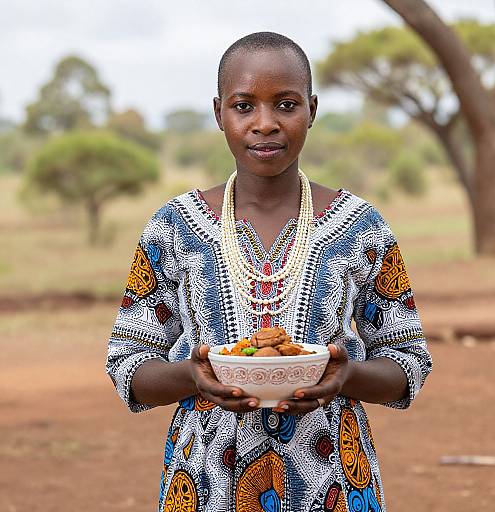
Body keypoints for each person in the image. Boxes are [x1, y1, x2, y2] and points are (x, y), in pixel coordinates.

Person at [106, 31, 432, 512]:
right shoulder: (172, 227)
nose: (265, 124)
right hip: (204, 482)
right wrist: (194, 376)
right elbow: (126, 364)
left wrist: (345, 376)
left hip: (333, 480)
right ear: (219, 113)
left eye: (285, 104)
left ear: (312, 110)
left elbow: (409, 361)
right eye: (244, 106)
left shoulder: (362, 227)